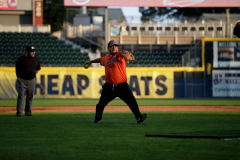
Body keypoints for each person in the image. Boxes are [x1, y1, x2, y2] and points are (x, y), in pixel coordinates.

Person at [83, 40, 147, 124]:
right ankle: (97, 119)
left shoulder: (119, 54)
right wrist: (90, 62)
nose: (114, 48)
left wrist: (126, 52)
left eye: (115, 46)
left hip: (122, 86)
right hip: (109, 86)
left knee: (132, 101)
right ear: (108, 48)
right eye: (112, 46)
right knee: (100, 105)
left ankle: (139, 117)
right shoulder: (106, 58)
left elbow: (123, 52)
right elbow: (100, 59)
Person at [15, 46, 41, 117]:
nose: (33, 52)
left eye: (34, 51)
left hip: (32, 80)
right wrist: (19, 78)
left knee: (30, 96)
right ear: (27, 51)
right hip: (22, 79)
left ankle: (28, 112)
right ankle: (19, 113)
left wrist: (31, 74)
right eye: (32, 51)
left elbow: (37, 69)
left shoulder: (36, 59)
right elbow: (17, 70)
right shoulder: (21, 59)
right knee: (21, 95)